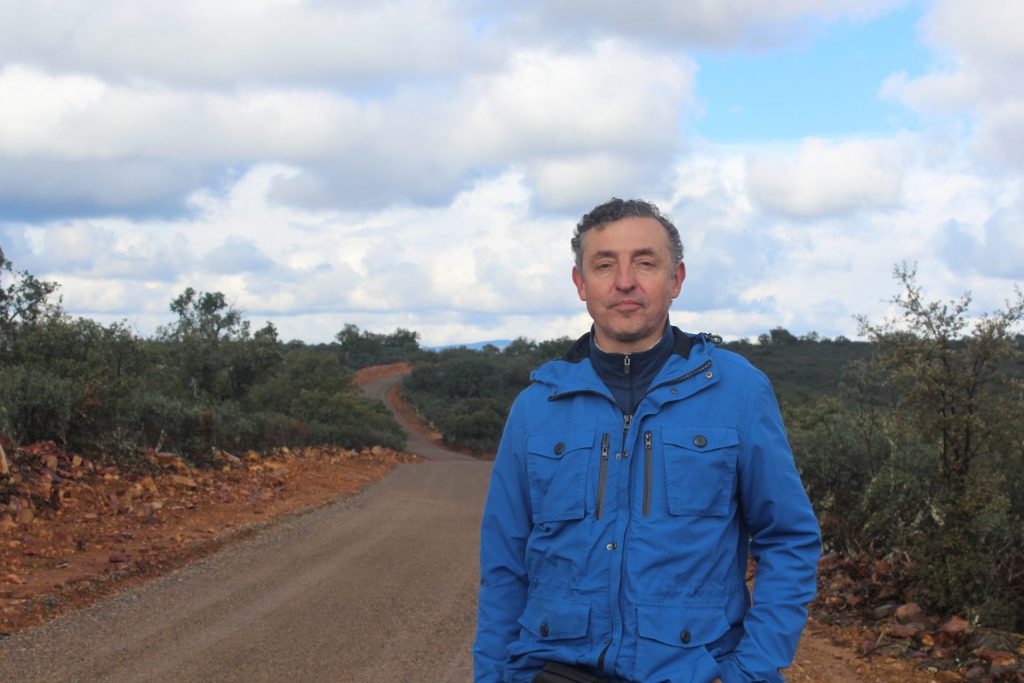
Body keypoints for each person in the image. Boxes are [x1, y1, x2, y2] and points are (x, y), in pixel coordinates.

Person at [473, 198, 821, 683]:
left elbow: (789, 538)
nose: (624, 281)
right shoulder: (537, 407)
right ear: (580, 284)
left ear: (676, 279)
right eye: (604, 265)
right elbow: (504, 566)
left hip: (693, 670)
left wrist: (752, 669)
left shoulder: (738, 392)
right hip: (552, 668)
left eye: (645, 262)